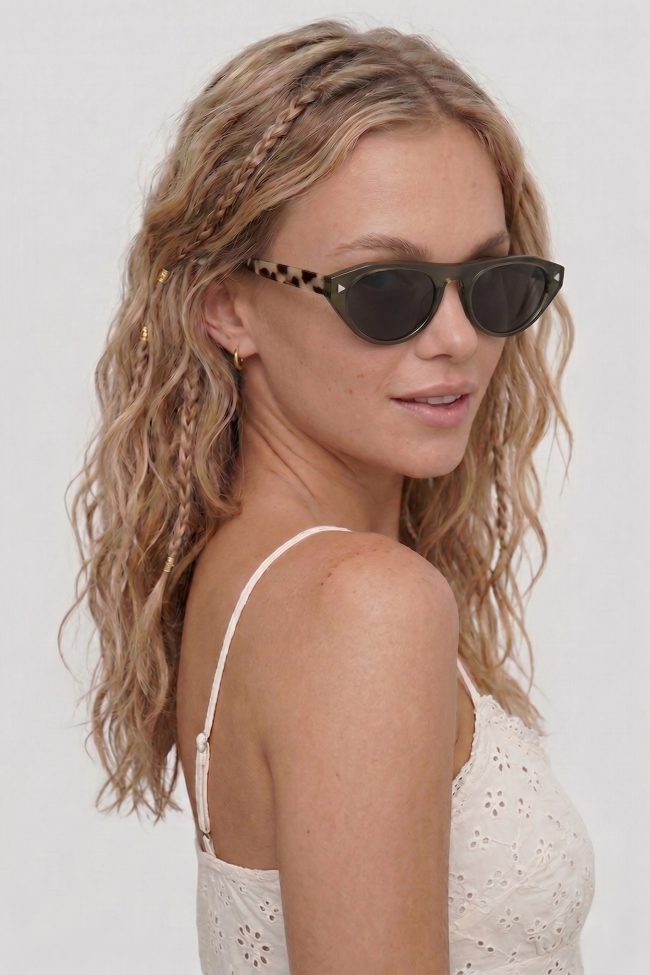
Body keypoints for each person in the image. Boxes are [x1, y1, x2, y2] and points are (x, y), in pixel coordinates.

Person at [66, 19, 595, 975]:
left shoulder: (254, 575)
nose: (457, 339)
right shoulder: (364, 603)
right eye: (385, 288)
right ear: (227, 305)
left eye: (491, 283)